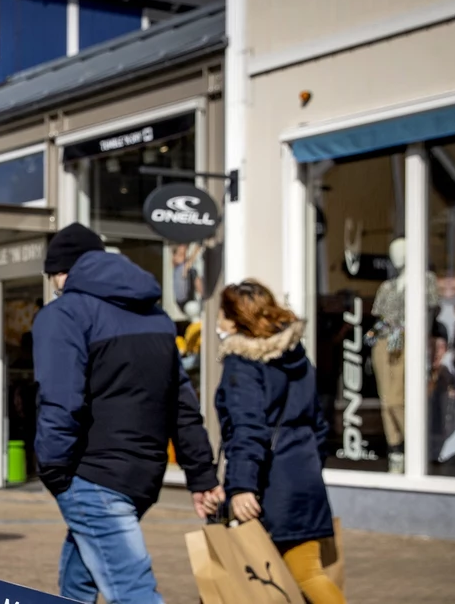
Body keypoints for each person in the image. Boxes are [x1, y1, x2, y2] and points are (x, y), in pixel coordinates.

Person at [33, 223, 223, 604]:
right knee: (78, 581)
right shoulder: (156, 318)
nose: (55, 287)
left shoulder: (64, 315)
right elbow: (182, 406)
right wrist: (201, 476)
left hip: (93, 477)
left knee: (134, 593)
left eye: (54, 278)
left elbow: (60, 401)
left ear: (63, 272)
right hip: (143, 476)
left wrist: (53, 471)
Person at [206, 279, 345, 604]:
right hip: (302, 480)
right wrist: (307, 465)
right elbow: (319, 425)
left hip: (266, 486)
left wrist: (241, 486)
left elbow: (247, 429)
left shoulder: (242, 365)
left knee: (239, 574)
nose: (217, 323)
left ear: (237, 319)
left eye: (222, 314)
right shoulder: (297, 359)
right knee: (303, 573)